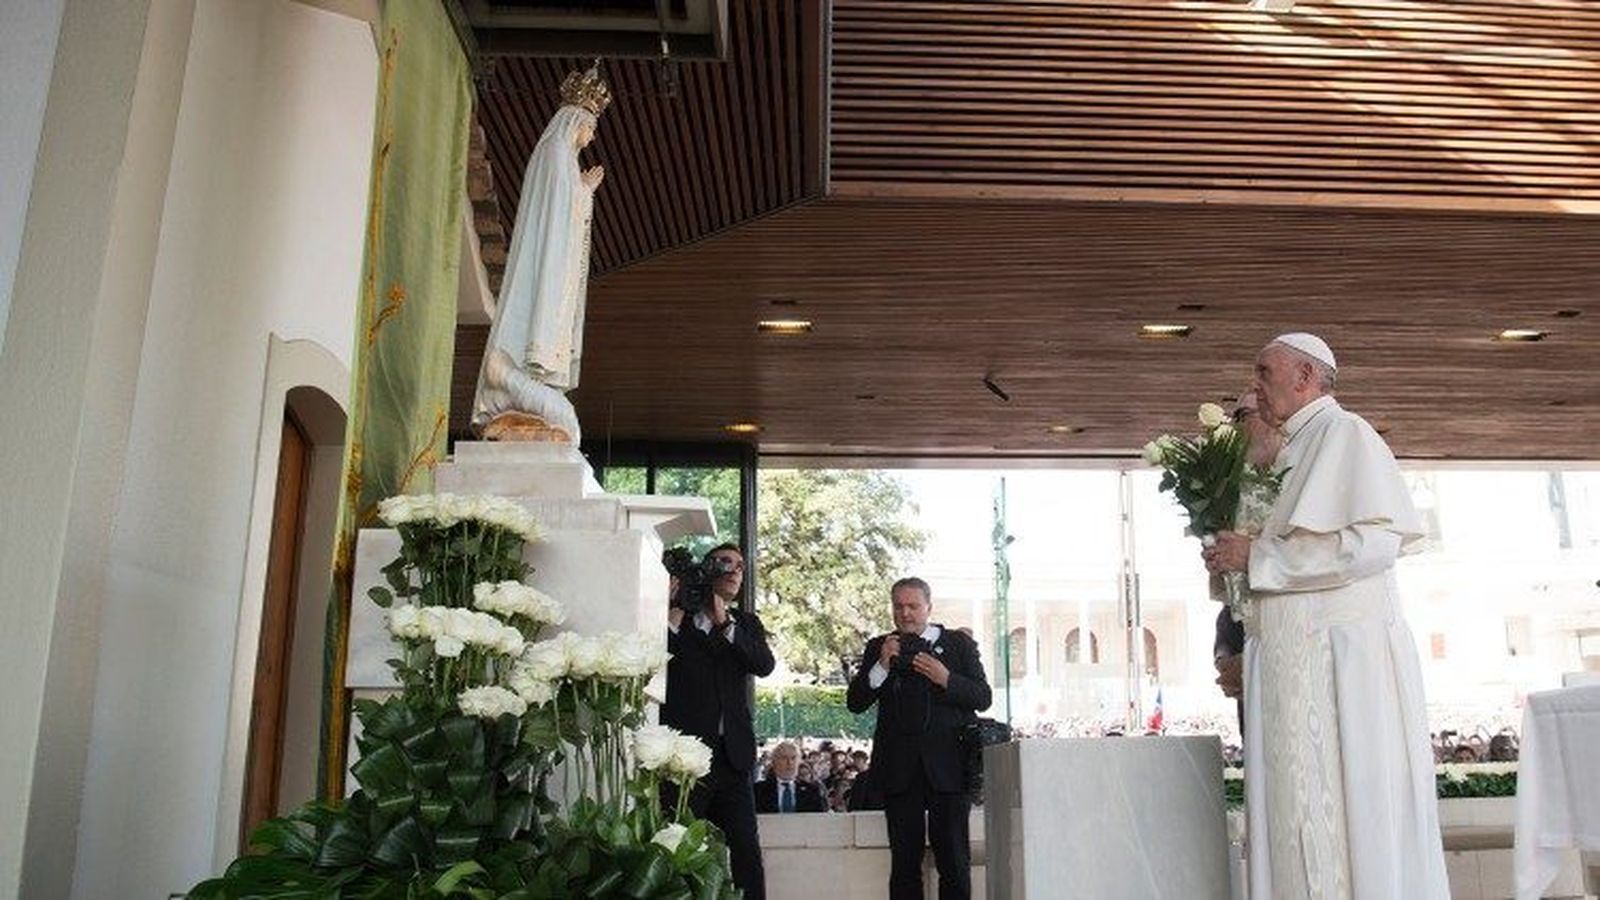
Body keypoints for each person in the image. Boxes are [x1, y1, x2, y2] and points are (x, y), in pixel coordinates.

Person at [1203, 333, 1449, 900]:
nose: (1256, 385)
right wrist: (1233, 559)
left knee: (1349, 808)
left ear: (1307, 377)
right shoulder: (1290, 449)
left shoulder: (1347, 434)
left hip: (1342, 661)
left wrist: (1258, 555)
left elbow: (1371, 545)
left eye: (1265, 372)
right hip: (1289, 660)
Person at [472, 64, 609, 442]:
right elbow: (554, 212)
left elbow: (563, 209)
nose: (590, 136)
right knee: (568, 429)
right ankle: (508, 374)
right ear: (574, 120)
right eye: (589, 127)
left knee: (567, 429)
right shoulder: (554, 152)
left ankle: (515, 379)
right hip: (544, 263)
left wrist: (582, 192)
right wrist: (580, 192)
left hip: (555, 260)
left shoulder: (563, 159)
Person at [847, 577, 992, 900]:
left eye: (913, 606)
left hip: (950, 771)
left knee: (954, 862)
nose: (906, 613)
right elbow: (855, 702)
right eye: (899, 606)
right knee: (904, 865)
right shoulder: (879, 646)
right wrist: (882, 665)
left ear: (929, 607)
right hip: (900, 773)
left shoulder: (958, 644)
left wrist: (946, 678)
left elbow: (983, 697)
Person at [661, 543, 775, 899]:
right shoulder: (675, 618)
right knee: (677, 847)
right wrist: (674, 610)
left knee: (746, 854)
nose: (734, 571)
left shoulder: (744, 623)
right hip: (685, 762)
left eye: (740, 566)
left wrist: (724, 621)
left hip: (734, 759)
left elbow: (764, 664)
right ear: (706, 570)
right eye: (724, 563)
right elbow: (657, 658)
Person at [1213, 389, 1284, 730]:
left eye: (1244, 416)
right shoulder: (1228, 489)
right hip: (1247, 659)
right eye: (1235, 419)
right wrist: (1226, 656)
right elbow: (1228, 605)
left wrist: (1251, 554)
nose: (1238, 429)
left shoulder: (1304, 479)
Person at [755, 741, 827, 814]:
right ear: (774, 762)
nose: (789, 763)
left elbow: (819, 819)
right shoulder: (758, 790)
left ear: (799, 762)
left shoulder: (812, 790)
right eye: (784, 758)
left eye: (793, 758)